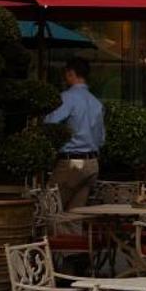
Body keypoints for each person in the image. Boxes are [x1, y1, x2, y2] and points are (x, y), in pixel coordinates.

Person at [45, 59, 106, 213]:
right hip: (92, 163)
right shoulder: (96, 102)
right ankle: (71, 237)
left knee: (49, 208)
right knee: (75, 215)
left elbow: (50, 123)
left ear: (71, 73)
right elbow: (100, 139)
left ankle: (50, 238)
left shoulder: (67, 98)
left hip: (72, 162)